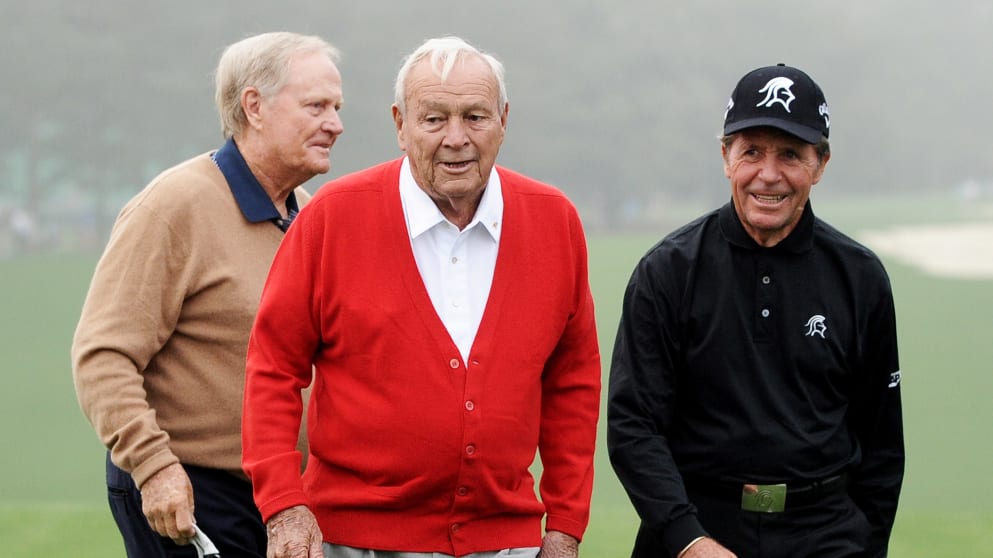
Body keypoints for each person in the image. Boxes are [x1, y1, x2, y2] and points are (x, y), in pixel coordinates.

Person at [241, 36, 601, 558]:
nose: (456, 138)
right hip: (352, 542)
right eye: (434, 119)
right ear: (400, 125)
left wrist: (565, 527)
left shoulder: (554, 222)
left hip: (505, 542)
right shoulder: (333, 220)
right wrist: (284, 507)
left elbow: (573, 382)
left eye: (475, 117)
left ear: (504, 120)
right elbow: (272, 367)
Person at [607, 64, 904, 558]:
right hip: (695, 530)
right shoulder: (668, 271)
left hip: (824, 533)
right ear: (726, 156)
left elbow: (882, 445)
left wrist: (866, 546)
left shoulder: (860, 277)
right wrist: (688, 539)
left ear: (821, 164)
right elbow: (633, 425)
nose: (769, 174)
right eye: (752, 152)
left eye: (790, 154)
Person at [71, 31, 344, 557]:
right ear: (254, 107)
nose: (335, 123)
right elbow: (102, 356)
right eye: (316, 106)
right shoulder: (174, 206)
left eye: (336, 107)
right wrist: (154, 467)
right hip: (190, 494)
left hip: (277, 495)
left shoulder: (307, 213)